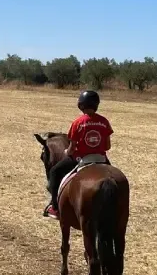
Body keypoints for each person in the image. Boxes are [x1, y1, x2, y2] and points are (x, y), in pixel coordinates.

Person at [43, 89, 112, 219]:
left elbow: (72, 148)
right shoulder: (104, 121)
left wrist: (66, 152)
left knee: (54, 172)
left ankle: (55, 208)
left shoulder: (78, 123)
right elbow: (107, 146)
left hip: (80, 159)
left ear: (81, 105)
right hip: (101, 159)